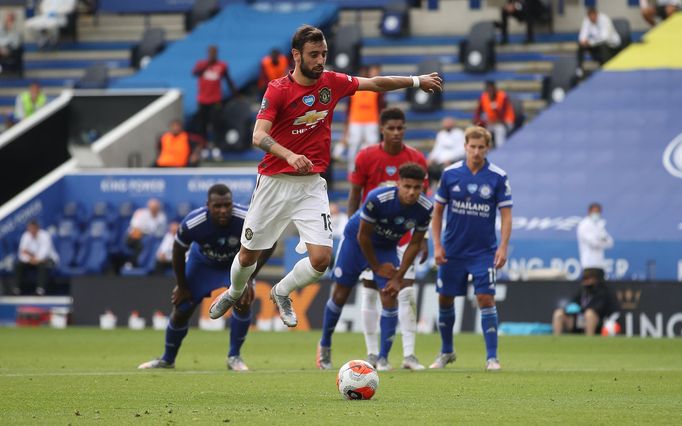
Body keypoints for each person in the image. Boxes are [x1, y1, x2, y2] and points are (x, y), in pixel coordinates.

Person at [207, 24, 442, 328]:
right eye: (314, 55)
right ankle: (235, 290)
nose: (320, 60)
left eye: (324, 54)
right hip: (274, 182)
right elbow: (258, 135)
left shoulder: (332, 83)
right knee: (248, 256)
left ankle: (282, 291)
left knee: (321, 261)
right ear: (296, 55)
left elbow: (375, 83)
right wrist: (289, 155)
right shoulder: (278, 89)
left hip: (311, 186)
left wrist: (415, 80)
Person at [139, 184, 274, 370]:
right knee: (182, 307)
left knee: (243, 301)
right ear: (207, 205)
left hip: (235, 265)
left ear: (232, 204)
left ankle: (234, 357)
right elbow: (178, 249)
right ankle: (167, 359)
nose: (223, 210)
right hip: (203, 264)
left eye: (227, 205)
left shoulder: (246, 218)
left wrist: (250, 277)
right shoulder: (193, 222)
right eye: (217, 206)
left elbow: (270, 242)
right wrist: (182, 285)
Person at [316, 163, 433, 371]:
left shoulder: (425, 208)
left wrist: (398, 277)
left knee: (390, 294)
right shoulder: (378, 198)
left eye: (417, 188)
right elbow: (363, 236)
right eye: (407, 186)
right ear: (398, 184)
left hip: (386, 247)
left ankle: (383, 359)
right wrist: (377, 267)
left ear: (422, 187)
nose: (412, 192)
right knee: (340, 295)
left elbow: (415, 243)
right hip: (356, 242)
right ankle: (324, 345)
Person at [347, 107, 430, 370]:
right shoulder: (367, 156)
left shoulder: (416, 159)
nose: (396, 132)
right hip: (373, 237)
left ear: (405, 128)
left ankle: (409, 355)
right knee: (371, 292)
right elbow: (354, 194)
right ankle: (373, 353)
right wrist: (353, 228)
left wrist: (423, 238)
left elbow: (423, 203)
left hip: (405, 235)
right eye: (391, 128)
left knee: (406, 292)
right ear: (382, 129)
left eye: (400, 128)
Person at [430, 126, 512, 371]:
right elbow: (437, 212)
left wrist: (503, 247)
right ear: (465, 146)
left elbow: (506, 216)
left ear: (488, 148)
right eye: (472, 147)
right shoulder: (450, 174)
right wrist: (436, 245)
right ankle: (446, 352)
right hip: (452, 250)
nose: (476, 151)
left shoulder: (498, 176)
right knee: (445, 299)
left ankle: (492, 358)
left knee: (486, 298)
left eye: (481, 147)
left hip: (483, 252)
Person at [335, 64, 385, 173]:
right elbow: (349, 108)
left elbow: (381, 107)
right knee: (354, 146)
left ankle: (372, 169)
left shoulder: (376, 90)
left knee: (372, 146)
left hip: (371, 121)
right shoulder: (354, 89)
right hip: (356, 121)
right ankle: (352, 171)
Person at [192, 45, 238, 148]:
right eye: (210, 53)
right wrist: (206, 65)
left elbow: (228, 79)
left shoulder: (222, 65)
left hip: (215, 100)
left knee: (216, 122)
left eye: (214, 53)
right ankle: (203, 144)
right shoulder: (201, 64)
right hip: (202, 99)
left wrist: (236, 94)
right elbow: (194, 73)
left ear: (217, 53)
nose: (212, 55)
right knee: (202, 123)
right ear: (208, 53)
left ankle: (217, 143)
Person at [552, 268, 617, 336]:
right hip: (578, 321)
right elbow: (573, 303)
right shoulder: (583, 291)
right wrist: (570, 308)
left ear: (596, 279)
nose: (586, 281)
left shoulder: (603, 292)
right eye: (584, 278)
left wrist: (582, 310)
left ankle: (589, 339)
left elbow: (598, 308)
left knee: (589, 314)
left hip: (597, 322)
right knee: (558, 313)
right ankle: (556, 339)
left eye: (588, 279)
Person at [14, 219, 59, 296]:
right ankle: (17, 290)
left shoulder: (45, 235)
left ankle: (40, 290)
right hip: (32, 261)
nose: (31, 230)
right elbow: (21, 253)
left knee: (42, 265)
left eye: (33, 228)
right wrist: (31, 259)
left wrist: (32, 257)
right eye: (29, 228)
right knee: (19, 265)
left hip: (48, 260)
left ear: (37, 227)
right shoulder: (26, 235)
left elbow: (44, 253)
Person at [576, 202, 613, 282]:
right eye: (595, 211)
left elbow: (610, 242)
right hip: (588, 264)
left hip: (599, 264)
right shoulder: (584, 225)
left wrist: (601, 241)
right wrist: (602, 241)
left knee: (601, 290)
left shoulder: (599, 225)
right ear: (589, 211)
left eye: (598, 212)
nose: (596, 214)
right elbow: (594, 243)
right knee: (589, 290)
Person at [473, 80, 514, 149]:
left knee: (499, 129)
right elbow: (478, 112)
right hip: (491, 123)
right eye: (488, 89)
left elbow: (503, 115)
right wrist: (477, 120)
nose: (490, 91)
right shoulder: (483, 97)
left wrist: (494, 121)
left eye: (491, 88)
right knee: (481, 131)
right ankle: (485, 150)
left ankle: (500, 150)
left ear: (495, 88)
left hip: (506, 122)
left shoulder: (502, 96)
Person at [126, 198, 167, 266]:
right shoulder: (141, 213)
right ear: (149, 207)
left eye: (156, 207)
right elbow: (135, 230)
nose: (154, 209)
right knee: (141, 243)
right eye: (152, 207)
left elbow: (161, 233)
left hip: (151, 238)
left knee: (152, 243)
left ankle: (147, 265)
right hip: (134, 237)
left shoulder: (162, 216)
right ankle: (136, 264)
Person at [427, 117, 466, 187]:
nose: (447, 125)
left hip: (454, 161)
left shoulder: (459, 134)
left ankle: (446, 187)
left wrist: (451, 159)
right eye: (445, 123)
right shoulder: (441, 134)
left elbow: (462, 151)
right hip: (440, 161)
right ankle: (429, 190)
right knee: (427, 167)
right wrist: (431, 158)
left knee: (446, 168)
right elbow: (436, 149)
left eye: (449, 123)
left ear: (453, 123)